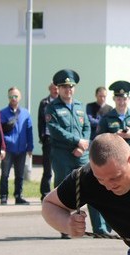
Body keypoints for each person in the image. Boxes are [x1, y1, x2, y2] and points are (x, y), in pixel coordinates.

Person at [46, 69, 110, 237]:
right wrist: (76, 142)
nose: (69, 90)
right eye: (65, 87)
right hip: (62, 155)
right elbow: (55, 130)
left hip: (81, 153)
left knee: (93, 187)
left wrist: (83, 144)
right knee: (63, 191)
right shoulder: (52, 108)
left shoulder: (80, 105)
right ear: (58, 89)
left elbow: (87, 126)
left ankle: (100, 228)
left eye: (71, 87)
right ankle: (66, 228)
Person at [0, 86, 34, 205]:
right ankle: (3, 197)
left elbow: (29, 130)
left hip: (22, 149)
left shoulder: (25, 113)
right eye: (11, 96)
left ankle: (18, 196)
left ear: (20, 97)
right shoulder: (2, 113)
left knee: (19, 175)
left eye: (15, 96)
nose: (13, 98)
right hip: (8, 149)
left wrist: (30, 147)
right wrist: (2, 147)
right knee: (5, 174)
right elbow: (0, 132)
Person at [97, 81, 130, 150]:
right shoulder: (106, 118)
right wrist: (114, 136)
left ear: (129, 99)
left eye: (124, 99)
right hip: (114, 156)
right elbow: (99, 139)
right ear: (114, 99)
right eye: (119, 99)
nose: (122, 102)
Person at [37, 82, 58, 200]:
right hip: (48, 139)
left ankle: (57, 194)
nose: (55, 91)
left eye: (57, 89)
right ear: (49, 89)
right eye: (53, 89)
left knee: (58, 168)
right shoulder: (44, 102)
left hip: (59, 140)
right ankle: (45, 193)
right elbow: (40, 121)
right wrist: (42, 137)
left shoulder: (61, 103)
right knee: (47, 169)